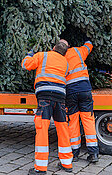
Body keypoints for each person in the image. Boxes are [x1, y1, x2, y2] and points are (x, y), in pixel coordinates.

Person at [22, 39, 73, 174]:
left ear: (53, 47)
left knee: (42, 129)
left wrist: (29, 54)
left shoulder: (42, 55)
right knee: (62, 129)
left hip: (45, 96)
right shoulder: (65, 63)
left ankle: (40, 168)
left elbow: (26, 65)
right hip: (60, 97)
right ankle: (67, 163)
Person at [65, 39, 99, 163]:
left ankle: (74, 154)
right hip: (85, 90)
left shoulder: (60, 57)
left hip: (70, 92)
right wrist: (88, 39)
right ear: (69, 45)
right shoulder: (78, 51)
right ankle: (93, 154)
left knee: (73, 122)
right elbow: (89, 46)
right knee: (88, 121)